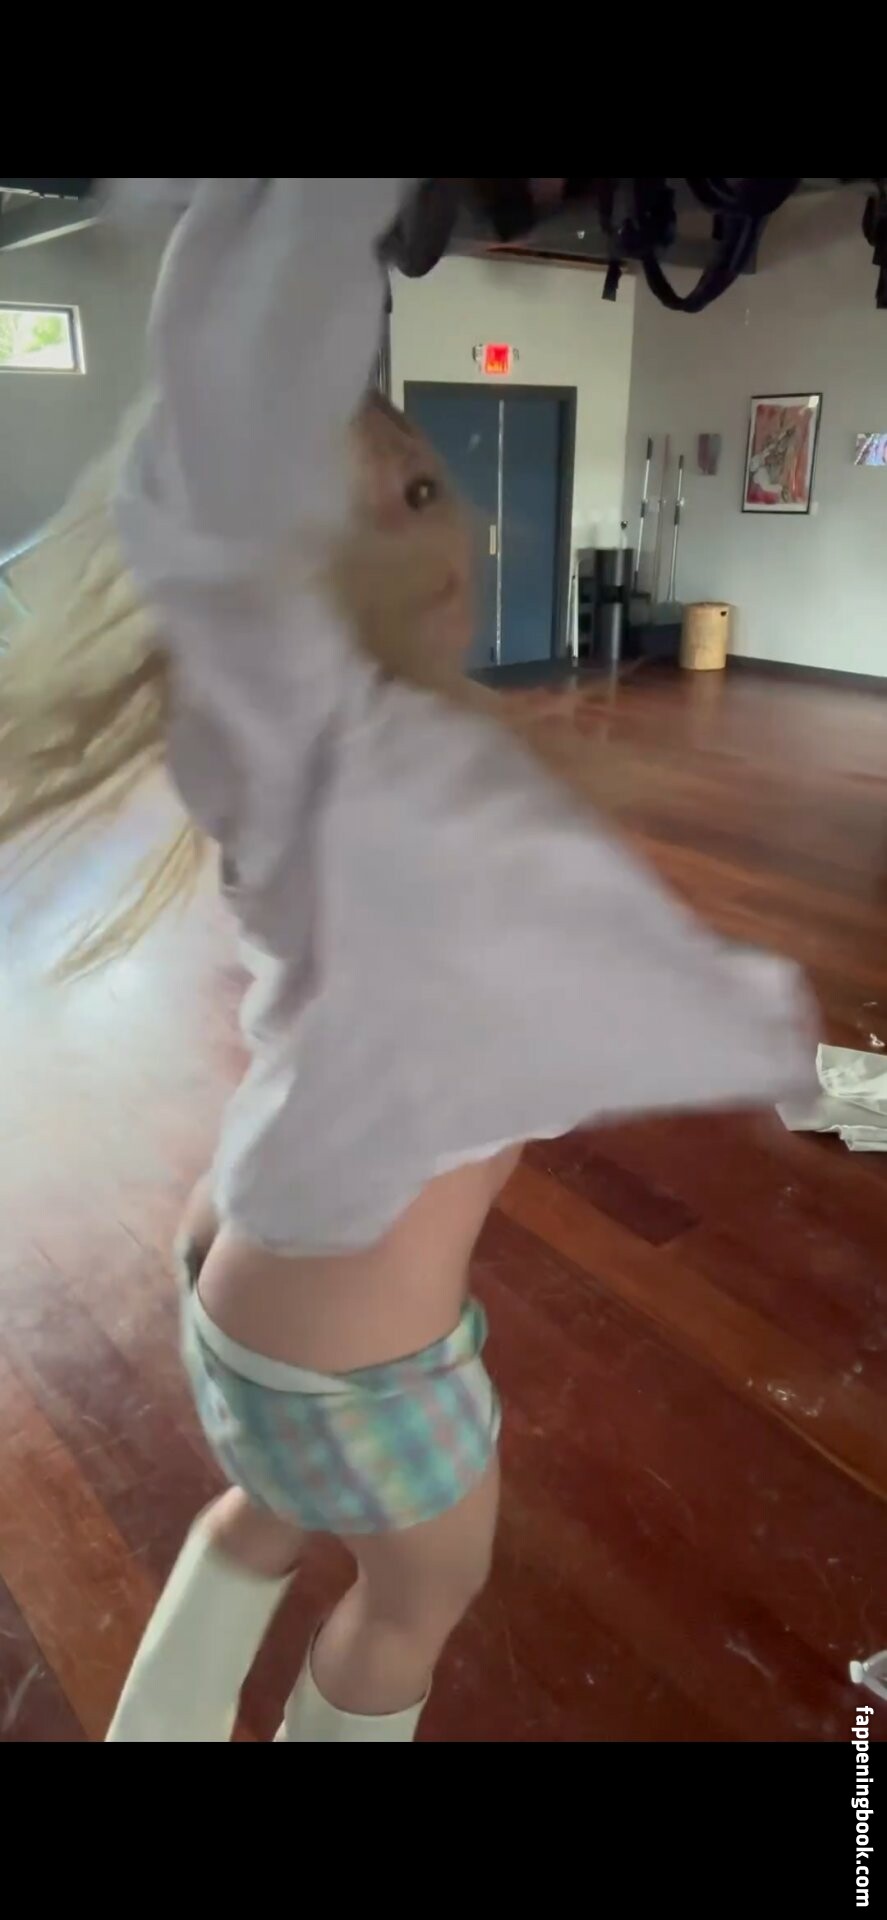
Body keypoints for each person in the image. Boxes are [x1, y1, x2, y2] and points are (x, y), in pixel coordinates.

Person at [0, 179, 812, 1743]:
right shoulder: (389, 798)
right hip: (358, 1359)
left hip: (238, 1269)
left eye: (423, 488)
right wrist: (751, 1021)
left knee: (264, 1515)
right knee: (415, 1603)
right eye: (345, 514)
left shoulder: (287, 770)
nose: (420, 533)